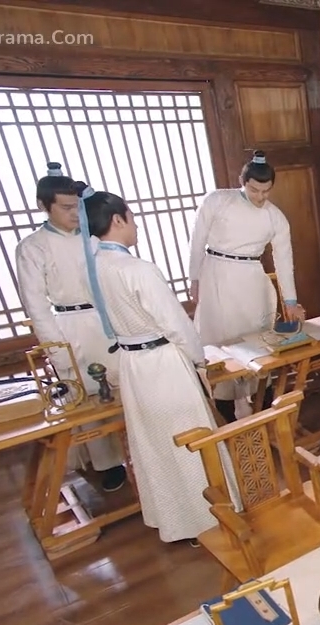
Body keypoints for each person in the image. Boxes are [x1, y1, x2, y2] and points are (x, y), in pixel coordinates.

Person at [79, 185, 235, 545]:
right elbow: (175, 323)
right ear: (117, 220)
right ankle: (206, 521)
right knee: (191, 441)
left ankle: (174, 521)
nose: (136, 225)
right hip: (162, 363)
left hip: (132, 365)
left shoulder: (94, 268)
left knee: (157, 447)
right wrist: (198, 359)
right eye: (131, 218)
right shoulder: (137, 269)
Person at [15, 162, 127, 492]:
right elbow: (36, 305)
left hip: (109, 317)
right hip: (71, 324)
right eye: (65, 208)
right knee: (89, 396)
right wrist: (55, 349)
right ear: (43, 205)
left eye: (77, 207)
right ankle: (109, 464)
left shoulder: (93, 237)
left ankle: (138, 453)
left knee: (125, 386)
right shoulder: (33, 247)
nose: (74, 214)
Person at [189, 150, 304, 423]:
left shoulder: (275, 217)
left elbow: (284, 260)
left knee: (256, 339)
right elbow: (197, 239)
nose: (260, 197)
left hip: (251, 276)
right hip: (217, 273)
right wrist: (194, 278)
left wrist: (290, 301)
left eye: (266, 191)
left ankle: (263, 402)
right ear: (243, 182)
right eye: (254, 190)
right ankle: (226, 411)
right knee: (221, 340)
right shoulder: (218, 200)